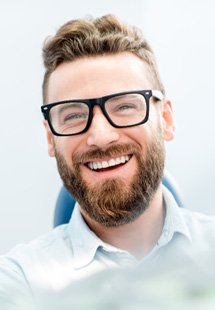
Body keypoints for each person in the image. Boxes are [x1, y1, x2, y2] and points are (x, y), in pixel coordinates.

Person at [0, 14, 215, 308]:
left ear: (165, 119)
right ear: (51, 139)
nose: (100, 136)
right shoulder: (19, 281)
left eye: (125, 106)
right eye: (73, 115)